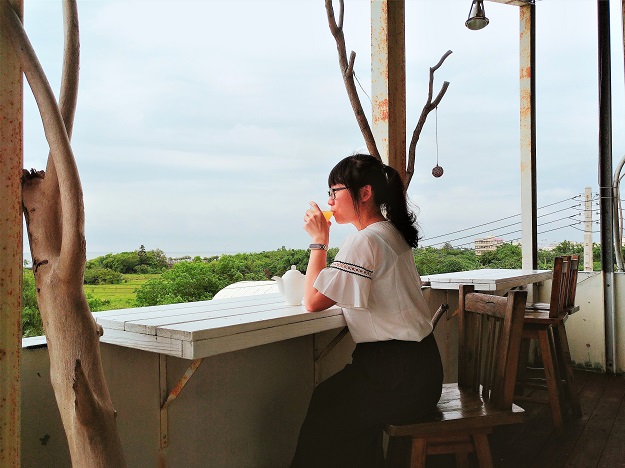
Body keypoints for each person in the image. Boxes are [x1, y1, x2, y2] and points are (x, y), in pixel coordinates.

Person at [291, 154, 443, 468]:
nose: (329, 201)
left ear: (364, 193)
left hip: (395, 375)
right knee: (337, 407)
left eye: (335, 191)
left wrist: (319, 241)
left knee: (327, 405)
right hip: (421, 371)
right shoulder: (391, 232)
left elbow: (313, 301)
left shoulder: (364, 240)